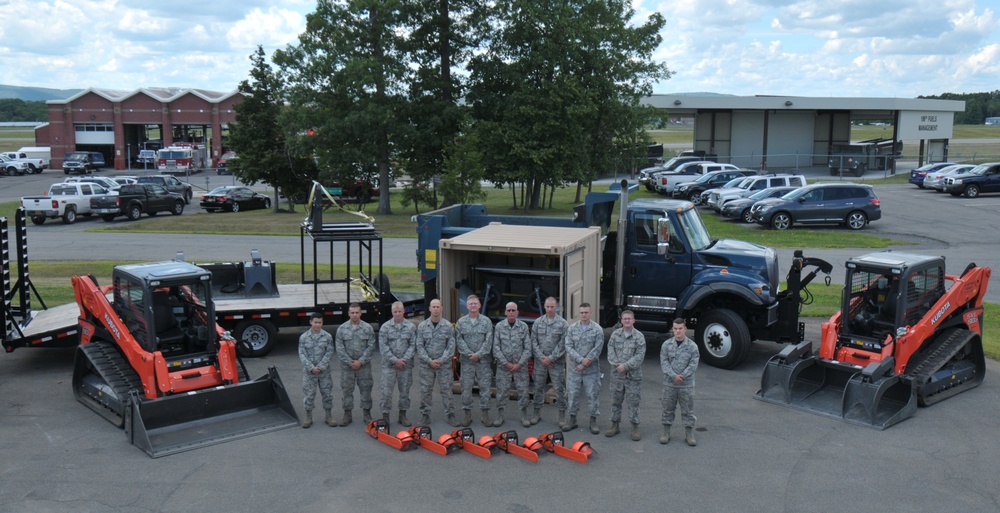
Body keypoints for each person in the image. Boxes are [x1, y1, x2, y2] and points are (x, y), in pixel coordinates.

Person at [416, 298, 459, 427]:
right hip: (426, 365)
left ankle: (450, 415)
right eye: (433, 307)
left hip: (443, 365)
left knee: (446, 391)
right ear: (429, 308)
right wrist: (429, 361)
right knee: (425, 391)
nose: (435, 309)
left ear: (441, 308)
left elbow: (451, 347)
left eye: (437, 307)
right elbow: (419, 346)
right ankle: (425, 415)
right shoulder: (422, 326)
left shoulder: (447, 326)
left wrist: (440, 361)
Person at [605, 310, 646, 441]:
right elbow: (610, 351)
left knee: (633, 403)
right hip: (617, 375)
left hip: (633, 377)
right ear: (621, 320)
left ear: (634, 320)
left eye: (629, 319)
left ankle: (635, 428)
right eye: (625, 319)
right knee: (615, 402)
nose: (627, 321)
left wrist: (625, 366)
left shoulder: (639, 337)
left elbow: (639, 356)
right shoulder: (615, 335)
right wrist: (618, 365)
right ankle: (614, 425)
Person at [563, 302, 603, 434]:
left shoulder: (597, 329)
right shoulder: (572, 328)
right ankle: (572, 420)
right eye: (581, 312)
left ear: (590, 313)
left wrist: (585, 363)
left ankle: (593, 422)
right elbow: (568, 346)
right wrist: (580, 360)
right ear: (579, 313)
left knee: (592, 395)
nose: (584, 315)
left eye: (586, 312)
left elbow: (597, 349)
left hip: (591, 370)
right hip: (576, 369)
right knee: (572, 395)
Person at [455, 295, 494, 427]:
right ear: (467, 306)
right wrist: (469, 354)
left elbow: (489, 341)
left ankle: (485, 415)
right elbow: (459, 340)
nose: (473, 306)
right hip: (467, 362)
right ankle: (467, 415)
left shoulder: (486, 322)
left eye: (475, 303)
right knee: (466, 389)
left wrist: (479, 354)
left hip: (483, 362)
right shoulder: (461, 322)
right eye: (470, 304)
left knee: (485, 389)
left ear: (479, 305)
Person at [529, 296, 569, 426]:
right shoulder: (538, 322)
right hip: (540, 362)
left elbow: (563, 344)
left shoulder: (563, 324)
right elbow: (533, 341)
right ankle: (536, 413)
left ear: (556, 307)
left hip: (556, 363)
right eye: (548, 307)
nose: (550, 309)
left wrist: (550, 358)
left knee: (559, 389)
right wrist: (542, 358)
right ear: (544, 306)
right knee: (538, 387)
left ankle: (562, 416)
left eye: (552, 307)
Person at [335, 303, 376, 426]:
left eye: (357, 312)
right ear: (348, 313)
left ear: (360, 313)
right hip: (347, 367)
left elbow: (371, 346)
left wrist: (360, 361)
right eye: (352, 312)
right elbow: (339, 348)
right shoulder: (342, 329)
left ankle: (367, 414)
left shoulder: (367, 328)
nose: (354, 315)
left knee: (366, 390)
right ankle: (347, 414)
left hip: (364, 367)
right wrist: (350, 362)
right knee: (347, 390)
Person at [660, 318, 699, 446]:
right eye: (675, 328)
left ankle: (689, 434)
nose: (678, 331)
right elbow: (664, 362)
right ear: (672, 329)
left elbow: (693, 364)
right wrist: (673, 376)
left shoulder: (692, 346)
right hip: (669, 383)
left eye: (680, 328)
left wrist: (682, 376)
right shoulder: (666, 345)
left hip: (686, 385)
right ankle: (666, 432)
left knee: (687, 410)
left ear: (685, 329)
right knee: (667, 409)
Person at [492, 302, 531, 427]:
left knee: (523, 391)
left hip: (521, 367)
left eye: (513, 310)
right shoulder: (499, 327)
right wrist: (506, 363)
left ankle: (524, 415)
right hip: (504, 367)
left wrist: (519, 363)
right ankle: (500, 415)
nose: (511, 312)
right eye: (508, 310)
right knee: (502, 391)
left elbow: (528, 348)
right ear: (505, 312)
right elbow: (496, 348)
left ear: (517, 312)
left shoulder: (523, 327)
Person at [378, 301, 416, 427]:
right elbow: (383, 347)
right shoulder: (385, 327)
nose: (398, 314)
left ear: (404, 311)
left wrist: (403, 360)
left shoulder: (411, 327)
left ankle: (403, 415)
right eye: (395, 312)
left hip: (405, 366)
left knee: (404, 391)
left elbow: (413, 345)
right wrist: (395, 360)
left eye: (400, 311)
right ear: (392, 312)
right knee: (386, 392)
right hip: (389, 366)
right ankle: (385, 416)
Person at [298, 312, 335, 428]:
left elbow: (329, 352)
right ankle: (308, 417)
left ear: (322, 323)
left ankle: (328, 416)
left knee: (327, 394)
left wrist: (321, 367)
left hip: (324, 372)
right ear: (310, 322)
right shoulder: (304, 337)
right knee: (309, 395)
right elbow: (302, 354)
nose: (318, 325)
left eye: (320, 323)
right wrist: (311, 367)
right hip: (309, 372)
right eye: (315, 322)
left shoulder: (327, 337)